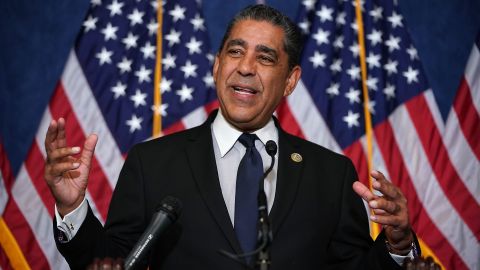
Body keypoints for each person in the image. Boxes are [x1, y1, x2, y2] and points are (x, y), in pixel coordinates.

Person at [45, 4, 419, 270]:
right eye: (235, 52)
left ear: (290, 81)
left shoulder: (332, 174)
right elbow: (112, 263)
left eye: (266, 58)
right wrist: (73, 209)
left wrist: (397, 244)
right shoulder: (152, 163)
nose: (245, 67)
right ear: (216, 66)